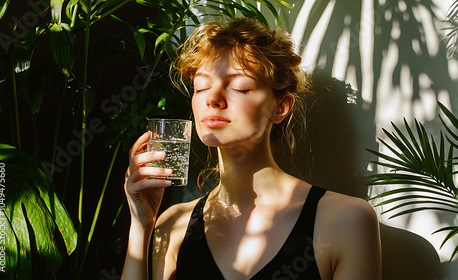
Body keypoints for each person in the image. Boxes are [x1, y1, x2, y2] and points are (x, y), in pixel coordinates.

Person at [121, 17, 381, 280]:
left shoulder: (346, 220)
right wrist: (141, 226)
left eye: (239, 86)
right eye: (201, 86)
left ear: (280, 108)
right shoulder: (173, 223)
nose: (212, 98)